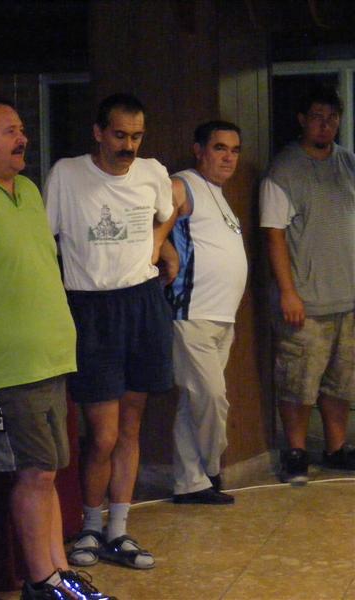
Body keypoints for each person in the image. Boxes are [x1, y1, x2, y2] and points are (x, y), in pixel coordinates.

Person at [0, 96, 115, 600]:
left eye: (22, 130)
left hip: (48, 362)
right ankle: (42, 582)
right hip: (1, 369)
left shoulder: (29, 190)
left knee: (48, 473)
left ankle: (60, 572)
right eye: (9, 131)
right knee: (34, 473)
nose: (23, 139)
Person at [44, 93, 174, 571]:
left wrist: (159, 243)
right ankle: (89, 526)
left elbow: (172, 207)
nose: (128, 146)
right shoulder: (67, 174)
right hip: (90, 308)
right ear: (99, 132)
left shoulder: (153, 172)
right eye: (120, 135)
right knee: (102, 433)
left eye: (136, 136)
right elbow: (45, 239)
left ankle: (119, 528)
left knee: (131, 426)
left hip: (142, 303)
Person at [260, 85, 355, 484]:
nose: (325, 125)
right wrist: (288, 292)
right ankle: (296, 451)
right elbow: (274, 234)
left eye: (332, 118)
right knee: (298, 381)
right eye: (317, 117)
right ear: (302, 120)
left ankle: (336, 448)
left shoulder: (348, 162)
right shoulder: (284, 170)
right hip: (305, 300)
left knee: (342, 381)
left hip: (347, 296)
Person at [163, 121, 246, 504]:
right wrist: (166, 253)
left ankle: (190, 482)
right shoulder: (183, 184)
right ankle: (212, 466)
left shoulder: (220, 195)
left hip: (222, 316)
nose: (229, 157)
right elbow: (149, 225)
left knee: (194, 401)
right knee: (212, 397)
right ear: (199, 150)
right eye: (219, 148)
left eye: (234, 150)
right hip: (192, 312)